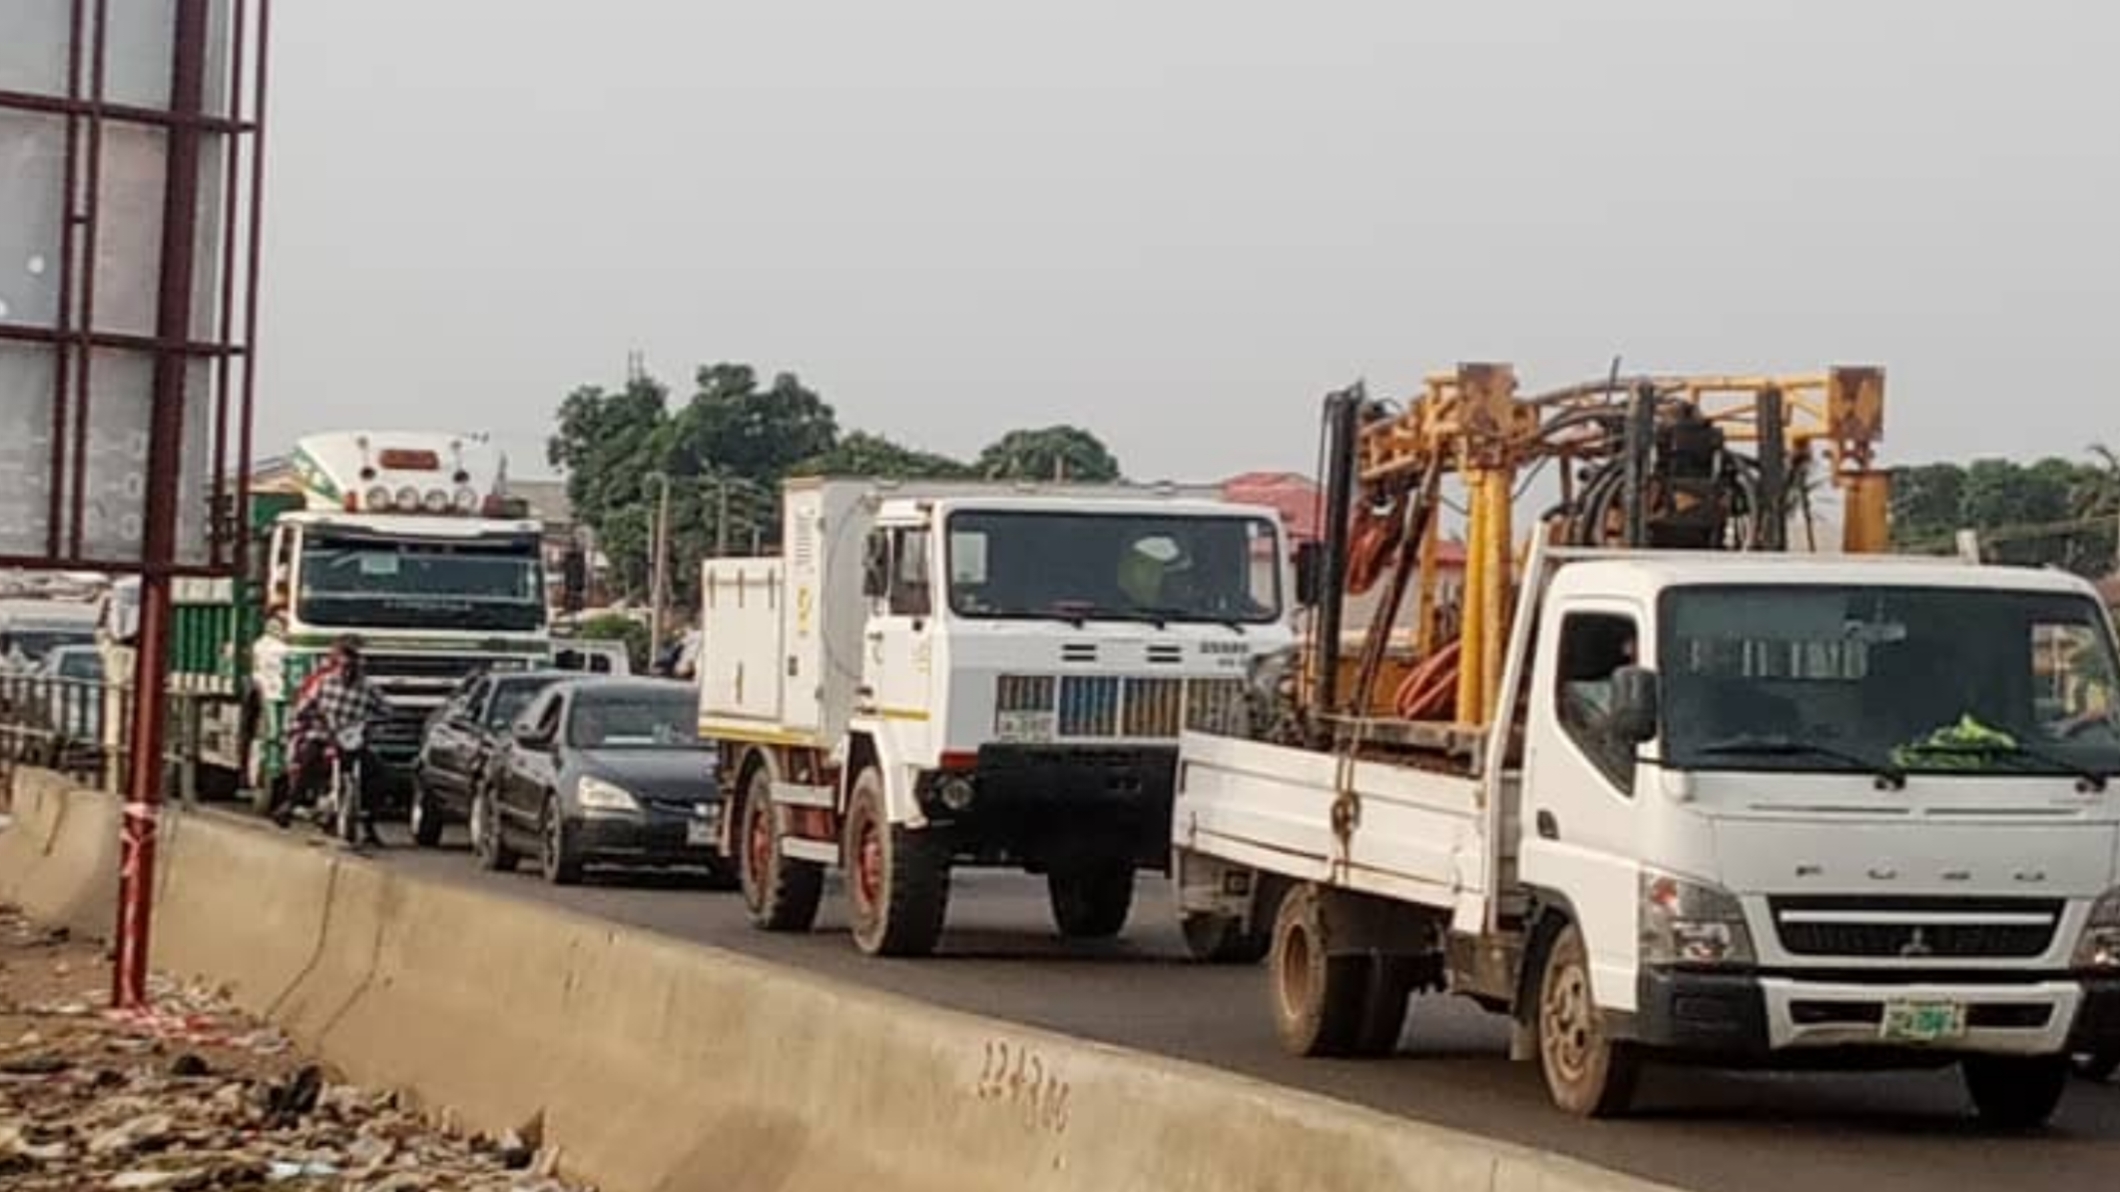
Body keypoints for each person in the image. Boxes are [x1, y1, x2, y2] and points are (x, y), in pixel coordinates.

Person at [273, 636, 391, 844]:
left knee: (379, 775)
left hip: (352, 740)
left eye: (352, 667)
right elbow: (305, 705)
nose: (347, 672)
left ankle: (370, 824)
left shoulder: (368, 688)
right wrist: (307, 716)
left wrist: (373, 722)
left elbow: (386, 710)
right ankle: (290, 805)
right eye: (344, 666)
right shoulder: (324, 683)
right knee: (307, 761)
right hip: (324, 736)